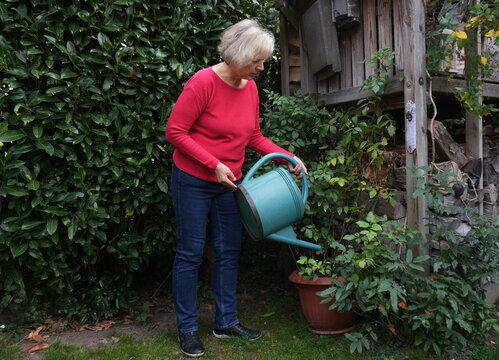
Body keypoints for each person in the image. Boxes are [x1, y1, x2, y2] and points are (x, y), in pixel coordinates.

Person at [165, 19, 307, 358]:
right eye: (257, 60)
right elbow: (175, 132)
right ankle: (187, 328)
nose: (262, 67)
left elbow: (253, 136)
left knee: (229, 250)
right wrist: (212, 164)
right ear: (237, 55)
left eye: (263, 61)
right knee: (190, 252)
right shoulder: (202, 83)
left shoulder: (251, 87)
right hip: (194, 180)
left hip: (231, 182)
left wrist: (287, 157)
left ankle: (225, 321)